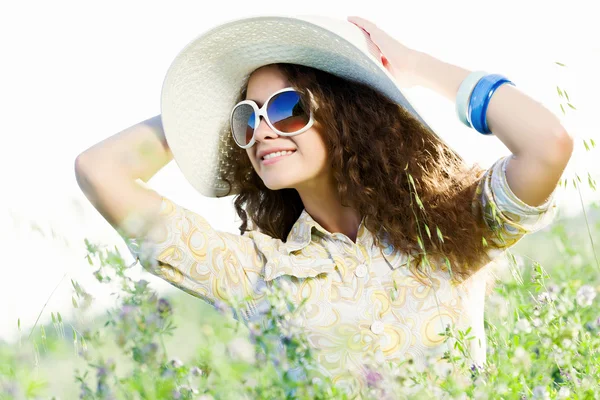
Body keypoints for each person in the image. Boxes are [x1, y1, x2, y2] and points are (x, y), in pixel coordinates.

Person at [75, 15, 572, 397]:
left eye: (288, 108)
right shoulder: (257, 273)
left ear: (346, 113)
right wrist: (202, 112)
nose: (263, 130)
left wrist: (416, 69)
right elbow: (101, 171)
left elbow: (547, 144)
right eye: (247, 119)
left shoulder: (445, 226)